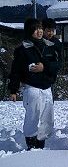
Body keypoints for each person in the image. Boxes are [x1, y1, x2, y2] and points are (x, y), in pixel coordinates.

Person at [8, 18, 60, 150]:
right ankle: (31, 144)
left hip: (47, 87)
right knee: (33, 116)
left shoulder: (49, 46)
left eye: (41, 28)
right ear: (29, 31)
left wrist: (45, 67)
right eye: (36, 29)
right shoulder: (22, 49)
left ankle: (41, 144)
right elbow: (15, 71)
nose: (39, 31)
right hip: (32, 88)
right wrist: (13, 90)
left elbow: (57, 65)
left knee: (47, 118)